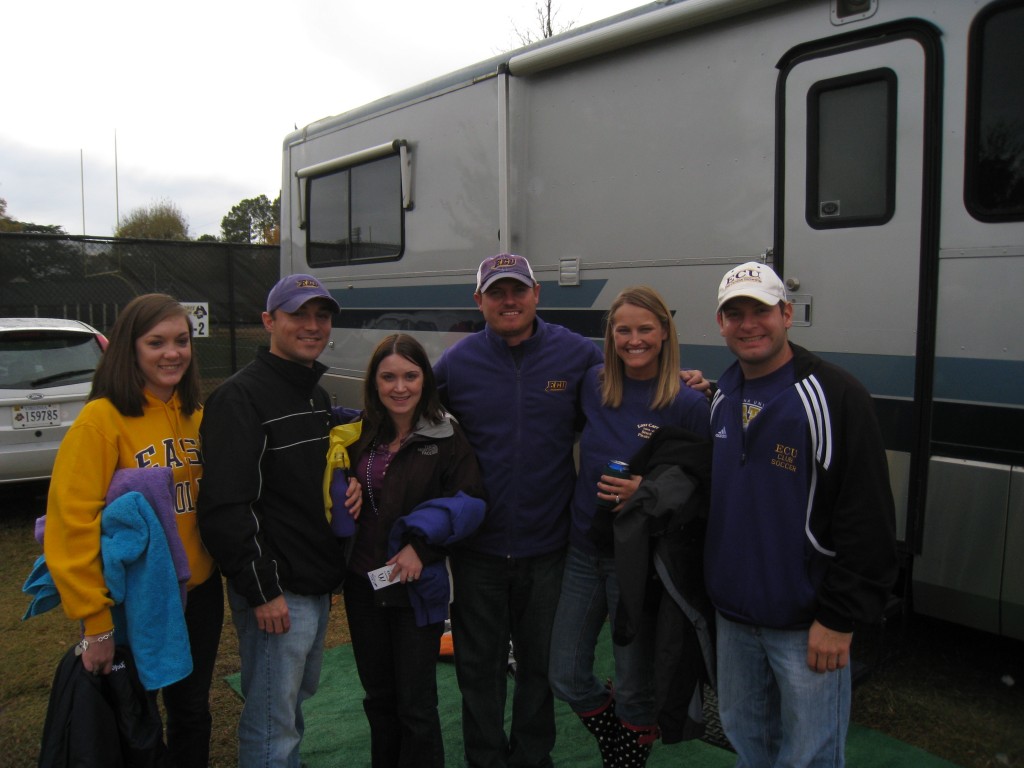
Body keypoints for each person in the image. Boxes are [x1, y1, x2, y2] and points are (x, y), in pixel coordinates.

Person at [434, 254, 708, 768]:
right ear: (480, 301)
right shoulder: (459, 361)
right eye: (497, 292)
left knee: (542, 671)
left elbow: (647, 382)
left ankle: (538, 759)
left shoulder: (575, 356)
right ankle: (487, 761)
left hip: (551, 548)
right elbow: (404, 401)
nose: (509, 301)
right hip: (481, 549)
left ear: (537, 293)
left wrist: (698, 382)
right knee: (481, 669)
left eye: (518, 290)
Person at [705, 261, 898, 768]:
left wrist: (840, 615)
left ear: (787, 314)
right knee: (750, 742)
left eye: (761, 311)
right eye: (735, 313)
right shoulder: (721, 396)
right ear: (720, 324)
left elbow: (868, 515)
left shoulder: (833, 395)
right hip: (735, 620)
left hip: (807, 623)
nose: (749, 325)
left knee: (810, 757)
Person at [44, 293, 223, 767]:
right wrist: (95, 622)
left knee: (192, 712)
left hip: (197, 593)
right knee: (136, 716)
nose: (173, 353)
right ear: (130, 348)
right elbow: (71, 523)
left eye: (181, 341)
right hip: (133, 602)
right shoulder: (100, 421)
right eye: (156, 342)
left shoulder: (195, 415)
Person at [197, 273, 361, 768]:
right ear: (270, 321)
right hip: (278, 588)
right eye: (298, 315)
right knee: (273, 721)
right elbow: (226, 507)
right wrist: (261, 589)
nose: (312, 326)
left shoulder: (314, 395)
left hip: (312, 581)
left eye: (322, 315)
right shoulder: (240, 398)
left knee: (292, 704)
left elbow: (300, 481)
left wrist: (346, 484)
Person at [548, 286, 711, 767]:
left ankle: (626, 757)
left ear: (664, 332)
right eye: (624, 329)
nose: (634, 339)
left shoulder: (685, 402)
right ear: (610, 334)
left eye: (645, 329)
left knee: (635, 685)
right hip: (583, 550)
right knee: (566, 672)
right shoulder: (594, 384)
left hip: (638, 562)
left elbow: (701, 485)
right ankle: (615, 740)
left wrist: (647, 489)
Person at [342, 333, 486, 768]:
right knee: (379, 697)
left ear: (425, 379)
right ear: (375, 382)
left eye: (410, 375)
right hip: (363, 587)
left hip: (415, 587)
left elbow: (471, 501)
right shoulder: (359, 433)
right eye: (389, 377)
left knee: (416, 705)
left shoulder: (446, 434)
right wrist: (341, 480)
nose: (399, 387)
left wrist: (420, 548)